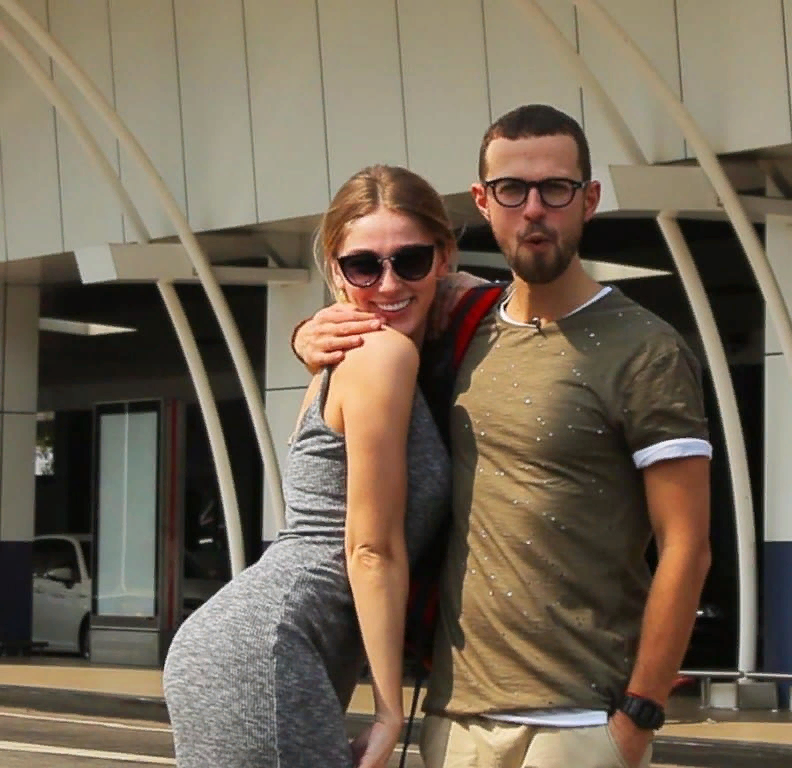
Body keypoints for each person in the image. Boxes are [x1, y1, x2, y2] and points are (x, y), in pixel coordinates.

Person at [294, 104, 712, 768]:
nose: (534, 209)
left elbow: (687, 546)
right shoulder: (459, 327)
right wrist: (307, 335)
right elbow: (382, 304)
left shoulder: (646, 350)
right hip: (454, 720)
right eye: (513, 189)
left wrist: (638, 715)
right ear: (484, 202)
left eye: (556, 189)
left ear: (589, 200)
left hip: (579, 723)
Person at [163, 165, 454, 768]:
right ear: (335, 271)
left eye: (411, 260)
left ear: (444, 257)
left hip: (256, 638)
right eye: (364, 266)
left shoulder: (346, 355)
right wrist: (389, 710)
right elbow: (371, 549)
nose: (388, 283)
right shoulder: (381, 355)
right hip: (267, 645)